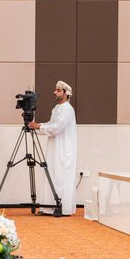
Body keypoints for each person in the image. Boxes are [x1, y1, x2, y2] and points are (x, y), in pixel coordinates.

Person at [27, 81, 78, 216]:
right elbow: (50, 124)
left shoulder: (67, 109)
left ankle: (62, 208)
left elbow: (56, 128)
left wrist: (38, 126)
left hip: (63, 150)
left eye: (58, 90)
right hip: (55, 149)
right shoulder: (57, 108)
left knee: (61, 178)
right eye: (55, 90)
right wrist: (35, 127)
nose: (54, 92)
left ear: (66, 93)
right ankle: (48, 208)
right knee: (52, 176)